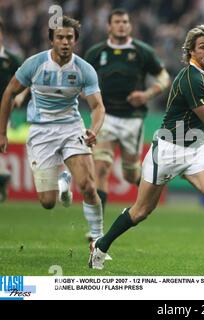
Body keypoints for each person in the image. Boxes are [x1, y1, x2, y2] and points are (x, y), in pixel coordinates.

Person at [89, 24, 204, 271]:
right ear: (190, 52)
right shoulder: (190, 79)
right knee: (141, 211)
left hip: (196, 150)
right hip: (168, 150)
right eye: (203, 47)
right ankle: (101, 246)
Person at [0, 16, 106, 243]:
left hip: (71, 127)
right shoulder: (35, 64)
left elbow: (97, 106)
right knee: (47, 202)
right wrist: (1, 132)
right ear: (51, 40)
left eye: (69, 37)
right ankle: (63, 179)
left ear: (75, 40)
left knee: (88, 186)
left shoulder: (84, 69)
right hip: (41, 131)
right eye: (60, 37)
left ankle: (98, 240)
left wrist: (94, 128)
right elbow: (9, 93)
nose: (65, 41)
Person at [84, 9, 170, 215]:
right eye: (117, 22)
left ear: (130, 26)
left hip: (132, 118)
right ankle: (97, 227)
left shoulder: (142, 51)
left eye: (125, 21)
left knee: (131, 174)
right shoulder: (96, 53)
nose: (121, 25)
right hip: (105, 116)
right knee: (101, 168)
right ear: (109, 26)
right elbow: (81, 79)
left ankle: (150, 193)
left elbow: (164, 77)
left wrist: (147, 95)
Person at [0, 17, 22, 202]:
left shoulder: (12, 60)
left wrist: (20, 97)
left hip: (3, 109)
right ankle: (1, 175)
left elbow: (28, 80)